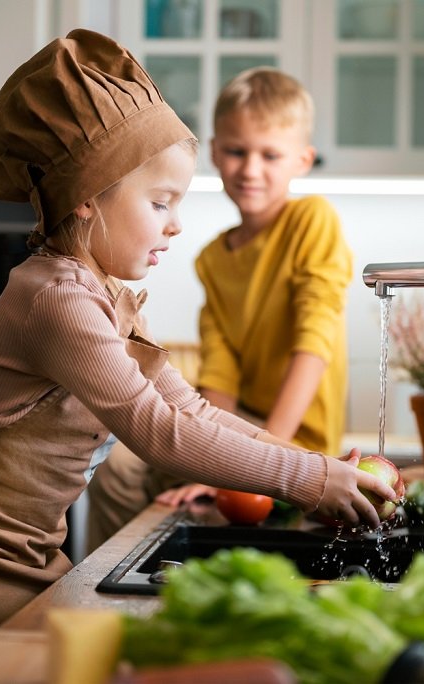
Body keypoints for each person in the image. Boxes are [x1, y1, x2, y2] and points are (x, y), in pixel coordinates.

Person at [0, 31, 391, 667]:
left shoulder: (100, 293)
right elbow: (157, 433)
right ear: (86, 198)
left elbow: (193, 412)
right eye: (160, 202)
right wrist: (308, 479)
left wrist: (319, 466)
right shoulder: (56, 299)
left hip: (13, 550)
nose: (176, 223)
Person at [86, 67, 352, 550]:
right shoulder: (213, 257)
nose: (251, 169)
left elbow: (314, 344)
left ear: (303, 159)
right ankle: (106, 590)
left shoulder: (313, 221)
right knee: (119, 466)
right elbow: (220, 375)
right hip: (240, 426)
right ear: (213, 152)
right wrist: (215, 457)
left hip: (300, 442)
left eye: (270, 154)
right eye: (236, 151)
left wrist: (268, 461)